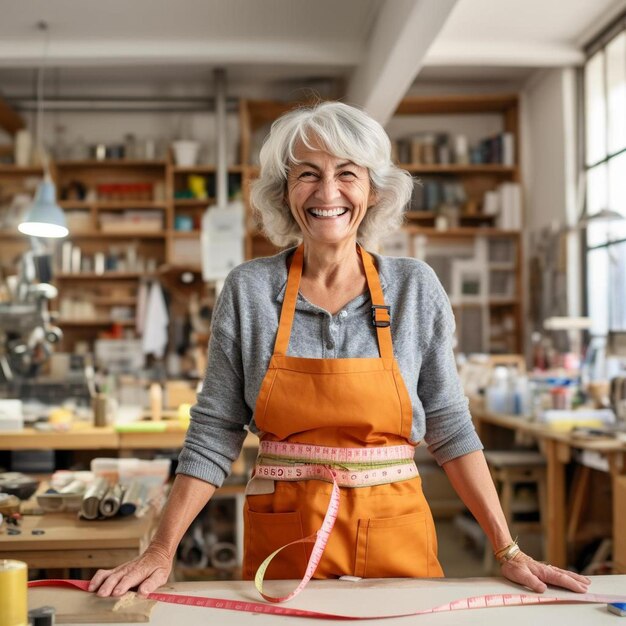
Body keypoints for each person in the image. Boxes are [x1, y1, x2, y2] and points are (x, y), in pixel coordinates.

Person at [90, 101, 590, 598]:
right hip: (284, 540)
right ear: (284, 193)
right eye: (307, 174)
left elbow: (449, 425)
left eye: (346, 173)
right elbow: (215, 429)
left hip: (398, 535)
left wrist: (508, 550)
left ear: (373, 191)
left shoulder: (414, 288)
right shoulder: (249, 290)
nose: (327, 192)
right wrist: (161, 550)